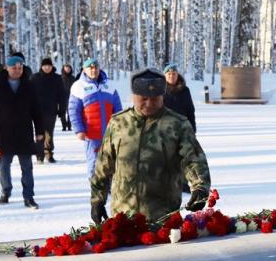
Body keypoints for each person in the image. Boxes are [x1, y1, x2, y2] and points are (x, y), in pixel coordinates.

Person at [89, 68, 211, 224]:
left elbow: (193, 159)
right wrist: (97, 200)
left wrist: (200, 187)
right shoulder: (118, 123)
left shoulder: (177, 124)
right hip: (122, 216)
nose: (149, 103)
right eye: (144, 98)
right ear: (133, 96)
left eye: (155, 99)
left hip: (163, 216)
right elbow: (103, 164)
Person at [0, 55, 44, 208]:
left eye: (20, 68)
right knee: (4, 165)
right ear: (7, 68)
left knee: (27, 166)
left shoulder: (29, 86)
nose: (17, 70)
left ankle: (28, 196)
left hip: (25, 132)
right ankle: (5, 191)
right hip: (5, 133)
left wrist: (40, 130)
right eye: (14, 68)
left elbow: (37, 110)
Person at [68, 58, 122, 177]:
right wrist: (79, 130)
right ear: (84, 70)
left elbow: (118, 108)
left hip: (109, 134)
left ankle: (109, 188)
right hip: (91, 134)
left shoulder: (109, 85)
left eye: (96, 67)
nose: (93, 70)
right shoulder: (78, 86)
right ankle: (96, 190)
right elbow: (73, 111)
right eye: (90, 68)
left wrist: (120, 126)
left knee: (111, 161)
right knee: (94, 163)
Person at [30, 57, 65, 163]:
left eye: (48, 66)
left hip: (51, 110)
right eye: (45, 66)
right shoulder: (35, 78)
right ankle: (39, 154)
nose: (47, 68)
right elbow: (29, 94)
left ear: (52, 66)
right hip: (37, 111)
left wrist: (62, 109)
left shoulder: (57, 78)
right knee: (39, 133)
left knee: (49, 133)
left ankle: (48, 153)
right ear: (41, 66)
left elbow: (62, 95)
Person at [163, 62, 197, 132]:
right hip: (164, 129)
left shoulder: (185, 90)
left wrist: (193, 130)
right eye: (169, 74)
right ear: (165, 76)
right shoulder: (160, 90)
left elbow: (190, 111)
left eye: (174, 74)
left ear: (177, 75)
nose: (171, 76)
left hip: (182, 129)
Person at [60, 63, 77, 131]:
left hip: (71, 97)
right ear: (63, 69)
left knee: (70, 112)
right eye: (66, 68)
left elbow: (76, 87)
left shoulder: (73, 78)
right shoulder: (60, 77)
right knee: (62, 112)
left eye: (69, 68)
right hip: (62, 97)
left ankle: (69, 125)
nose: (67, 69)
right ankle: (64, 126)